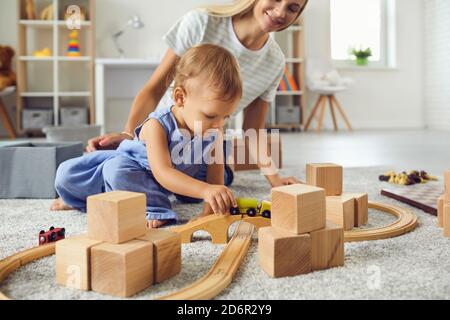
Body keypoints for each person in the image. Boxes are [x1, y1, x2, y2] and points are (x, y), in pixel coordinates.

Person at [86, 0, 308, 189]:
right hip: (159, 138)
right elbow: (154, 89)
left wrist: (275, 179)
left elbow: (253, 130)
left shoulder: (275, 62)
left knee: (218, 180)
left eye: (293, 7)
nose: (281, 12)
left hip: (202, 149)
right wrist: (128, 137)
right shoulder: (202, 23)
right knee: (107, 169)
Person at [52, 44, 242, 228]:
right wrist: (205, 190)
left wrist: (210, 207)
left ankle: (159, 195)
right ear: (180, 98)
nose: (219, 125)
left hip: (180, 174)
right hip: (141, 170)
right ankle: (148, 207)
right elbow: (163, 173)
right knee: (85, 173)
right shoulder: (157, 125)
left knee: (218, 181)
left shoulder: (214, 130)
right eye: (210, 115)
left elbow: (215, 178)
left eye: (226, 117)